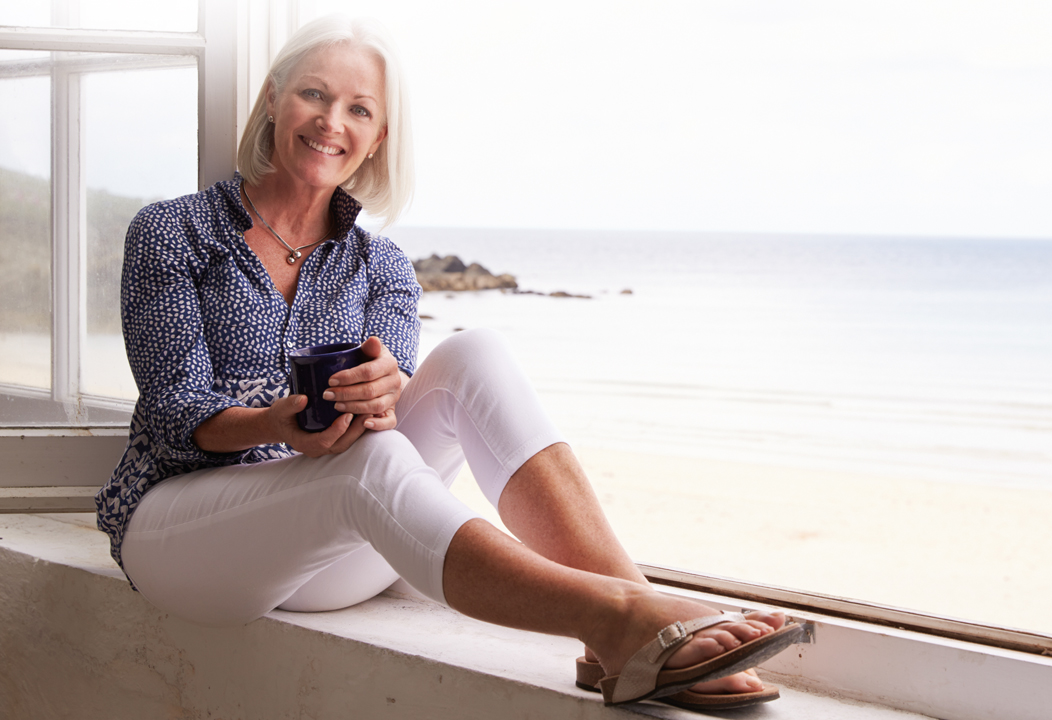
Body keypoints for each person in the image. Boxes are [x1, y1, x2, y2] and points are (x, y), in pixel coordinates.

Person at [93, 13, 807, 710]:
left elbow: (388, 412)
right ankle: (618, 618)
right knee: (368, 468)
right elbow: (171, 414)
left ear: (377, 138)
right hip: (184, 538)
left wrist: (382, 393)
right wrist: (277, 422)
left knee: (475, 353)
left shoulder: (384, 267)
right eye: (314, 93)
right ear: (274, 99)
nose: (330, 121)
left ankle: (632, 623)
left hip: (326, 553)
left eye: (359, 109)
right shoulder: (175, 232)